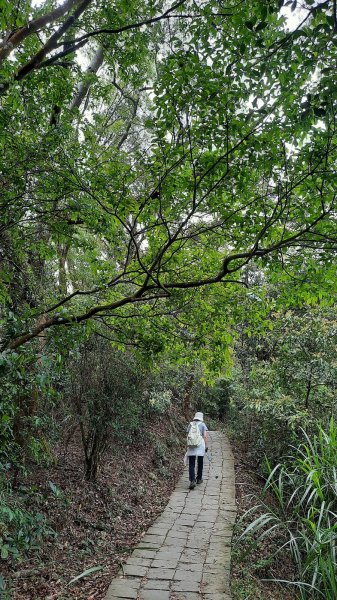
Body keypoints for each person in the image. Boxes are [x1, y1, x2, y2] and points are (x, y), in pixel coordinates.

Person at [186, 411, 209, 490]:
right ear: (201, 418)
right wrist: (206, 446)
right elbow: (205, 436)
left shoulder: (190, 424)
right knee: (200, 462)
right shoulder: (202, 425)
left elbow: (188, 435)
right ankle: (199, 478)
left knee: (191, 463)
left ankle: (192, 480)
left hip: (191, 446)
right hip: (200, 446)